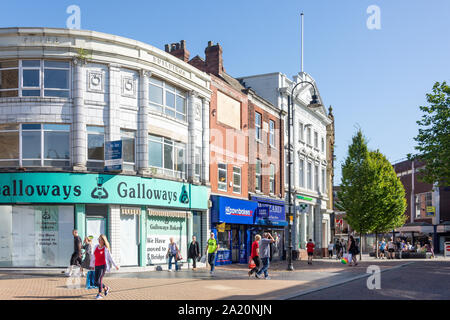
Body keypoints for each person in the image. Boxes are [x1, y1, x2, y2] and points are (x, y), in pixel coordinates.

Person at [89, 234, 119, 299]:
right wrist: (91, 265)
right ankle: (106, 288)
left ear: (103, 240)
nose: (99, 240)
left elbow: (111, 258)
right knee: (95, 282)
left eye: (101, 239)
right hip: (96, 266)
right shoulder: (96, 247)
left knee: (99, 280)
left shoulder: (105, 249)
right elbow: (93, 256)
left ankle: (99, 294)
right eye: (99, 239)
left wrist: (115, 265)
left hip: (103, 266)